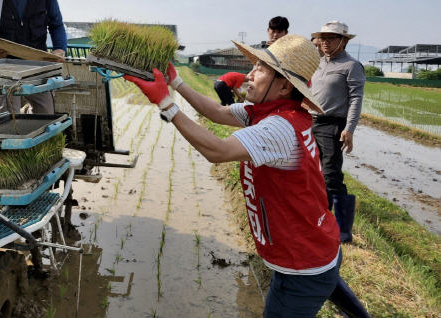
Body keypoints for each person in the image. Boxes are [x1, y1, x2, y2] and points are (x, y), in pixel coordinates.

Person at [126, 35, 341, 317]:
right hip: (306, 249)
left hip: (304, 264)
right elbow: (215, 111)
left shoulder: (279, 128)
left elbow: (217, 150)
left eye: (260, 70)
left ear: (285, 86)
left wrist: (166, 104)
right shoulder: (273, 112)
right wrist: (176, 83)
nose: (249, 76)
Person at [310, 21, 365, 243]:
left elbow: (356, 99)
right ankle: (320, 219)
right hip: (311, 121)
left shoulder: (351, 66)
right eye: (322, 38)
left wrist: (349, 129)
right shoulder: (319, 62)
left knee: (331, 175)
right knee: (313, 172)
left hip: (333, 124)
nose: (325, 42)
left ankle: (343, 231)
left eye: (331, 38)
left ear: (344, 41)